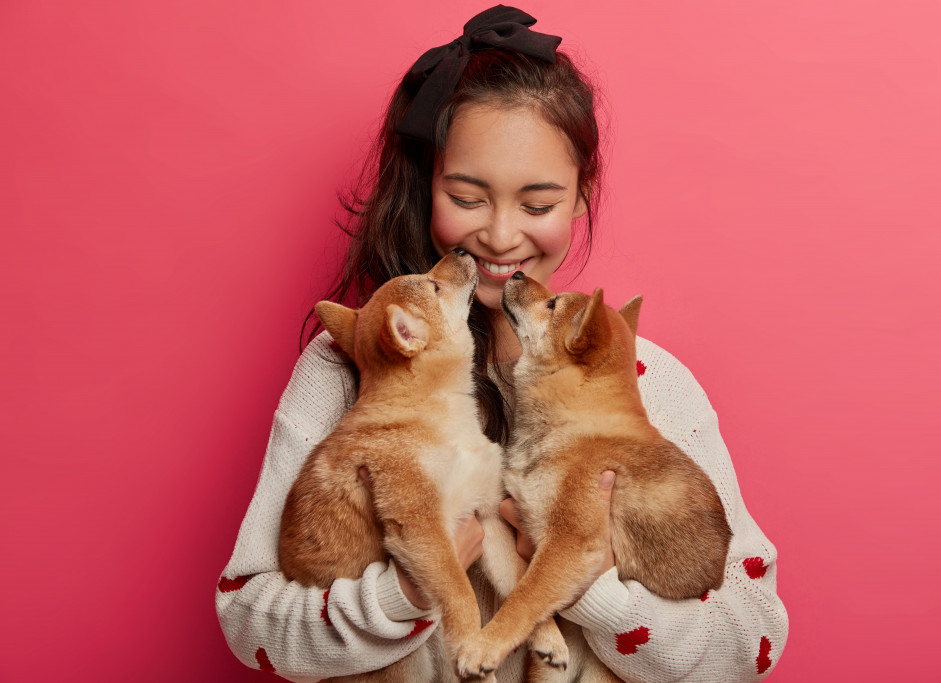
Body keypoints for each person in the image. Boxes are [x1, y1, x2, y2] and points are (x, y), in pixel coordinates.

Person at [216, 6, 788, 682]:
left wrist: (593, 588)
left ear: (582, 196)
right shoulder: (348, 369)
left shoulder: (646, 380)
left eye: (538, 204)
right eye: (468, 196)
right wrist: (403, 594)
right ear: (427, 185)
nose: (500, 233)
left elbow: (752, 639)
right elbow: (249, 614)